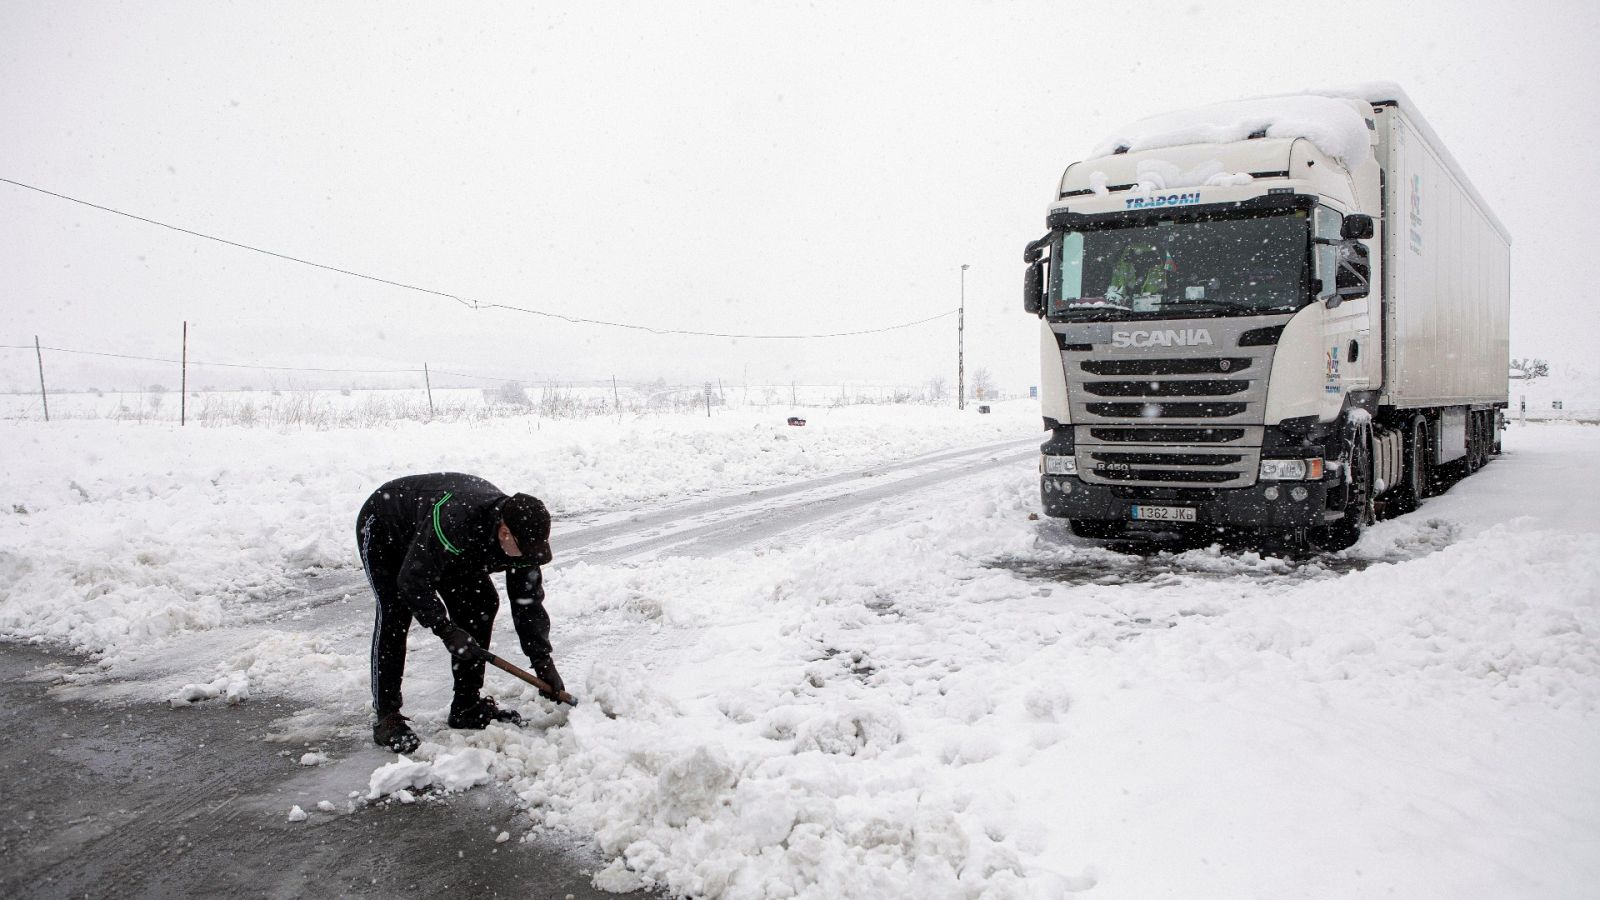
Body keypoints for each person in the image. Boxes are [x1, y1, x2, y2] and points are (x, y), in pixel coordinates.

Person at [356, 473, 565, 753]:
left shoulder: (522, 538)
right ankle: (387, 717)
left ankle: (466, 705)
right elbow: (413, 581)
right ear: (505, 532)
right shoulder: (457, 520)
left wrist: (542, 661)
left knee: (480, 604)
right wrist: (445, 629)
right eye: (524, 549)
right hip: (388, 527)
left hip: (441, 544)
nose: (529, 555)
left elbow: (528, 603)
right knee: (395, 611)